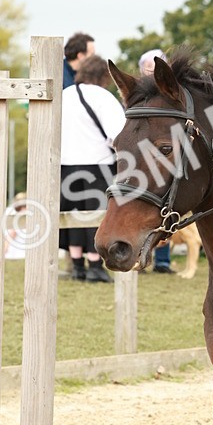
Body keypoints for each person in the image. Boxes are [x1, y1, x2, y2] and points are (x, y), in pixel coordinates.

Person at [60, 54, 125, 281]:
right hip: (97, 165)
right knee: (96, 216)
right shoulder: (104, 97)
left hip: (65, 164)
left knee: (72, 215)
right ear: (103, 76)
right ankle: (95, 265)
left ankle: (77, 265)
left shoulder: (64, 95)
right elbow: (116, 135)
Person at [138, 49, 176, 273]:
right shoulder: (136, 94)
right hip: (141, 161)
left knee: (167, 209)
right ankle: (139, 257)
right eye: (148, 68)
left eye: (157, 68)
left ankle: (162, 260)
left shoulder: (171, 94)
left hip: (163, 159)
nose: (151, 73)